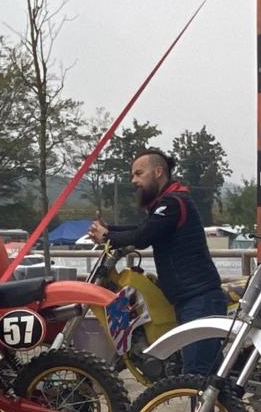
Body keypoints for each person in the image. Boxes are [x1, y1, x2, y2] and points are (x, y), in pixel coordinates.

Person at [87, 149, 225, 375]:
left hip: (198, 299)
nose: (134, 180)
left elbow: (143, 237)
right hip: (189, 299)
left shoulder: (174, 202)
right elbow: (144, 228)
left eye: (139, 174)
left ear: (158, 172)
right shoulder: (167, 202)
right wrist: (109, 230)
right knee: (205, 373)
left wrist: (107, 235)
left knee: (197, 375)